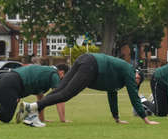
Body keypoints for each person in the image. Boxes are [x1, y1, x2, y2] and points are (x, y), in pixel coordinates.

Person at [18, 53, 158, 127]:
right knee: (65, 94)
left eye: (139, 80)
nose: (137, 80)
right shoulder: (129, 70)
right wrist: (145, 119)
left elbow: (112, 92)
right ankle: (31, 108)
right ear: (136, 72)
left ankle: (31, 110)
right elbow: (133, 96)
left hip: (85, 59)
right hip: (91, 65)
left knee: (60, 89)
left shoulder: (120, 79)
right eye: (138, 77)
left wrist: (116, 118)